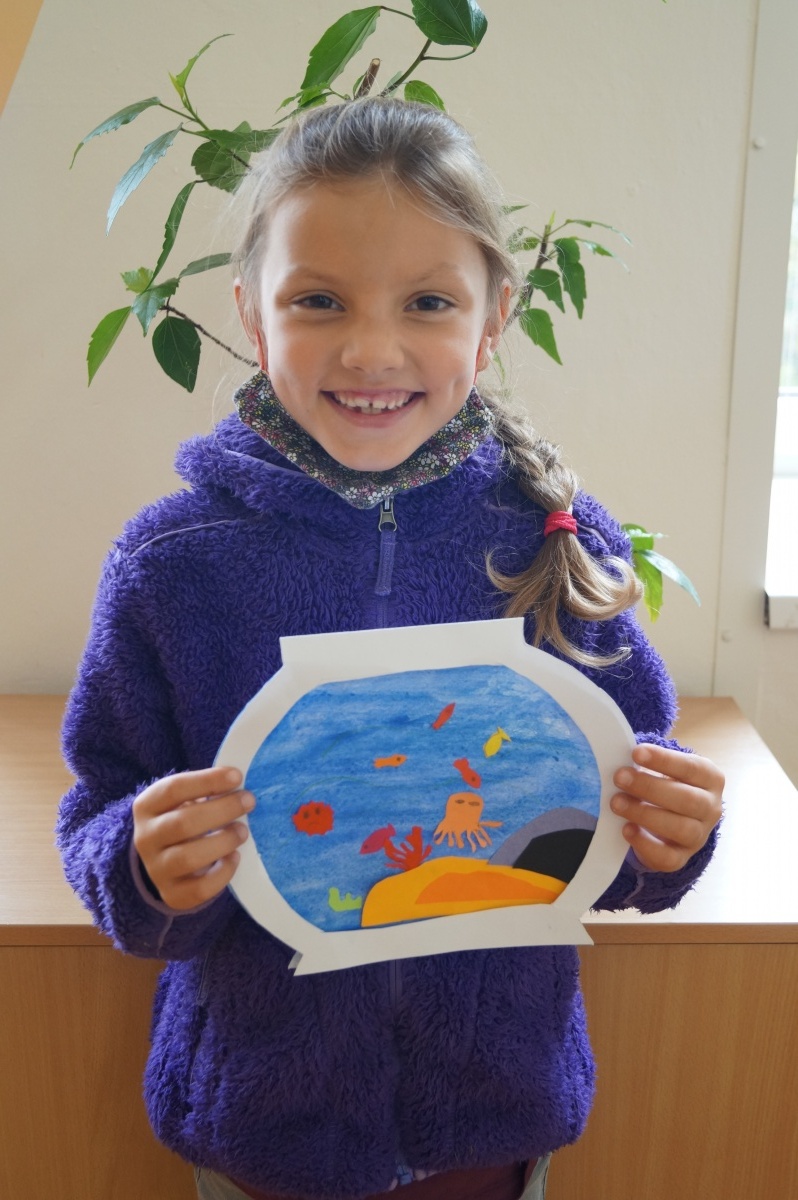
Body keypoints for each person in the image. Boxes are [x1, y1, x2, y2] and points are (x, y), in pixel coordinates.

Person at [57, 97, 723, 1200]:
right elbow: (99, 803)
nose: (372, 349)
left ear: (493, 318)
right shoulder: (173, 565)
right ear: (253, 313)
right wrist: (141, 863)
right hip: (262, 1127)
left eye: (428, 301)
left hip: (493, 1122)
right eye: (318, 300)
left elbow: (626, 802)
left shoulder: (558, 537)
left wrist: (671, 835)